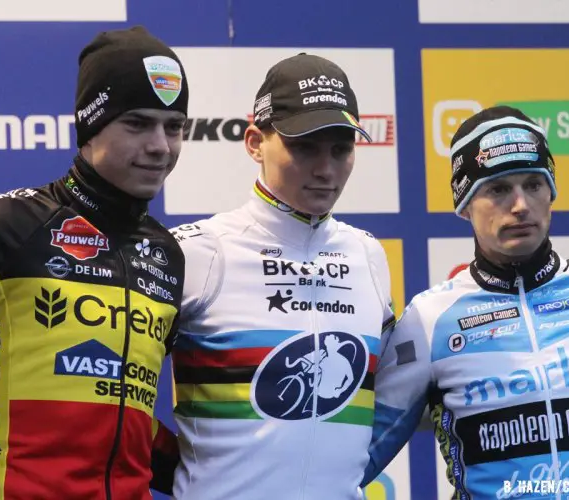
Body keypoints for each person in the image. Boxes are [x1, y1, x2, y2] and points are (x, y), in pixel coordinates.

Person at [0, 25, 188, 498]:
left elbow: (125, 420)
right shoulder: (7, 224)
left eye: (174, 127)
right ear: (90, 125)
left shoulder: (167, 255)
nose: (160, 146)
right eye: (137, 123)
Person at [361, 105, 569, 499]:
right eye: (497, 189)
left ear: (551, 193)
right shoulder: (428, 320)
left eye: (533, 184)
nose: (521, 204)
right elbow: (353, 461)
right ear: (464, 204)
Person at [167, 53, 397, 499]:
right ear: (254, 142)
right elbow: (115, 393)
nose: (326, 169)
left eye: (340, 149)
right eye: (304, 147)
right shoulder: (199, 251)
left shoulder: (367, 254)